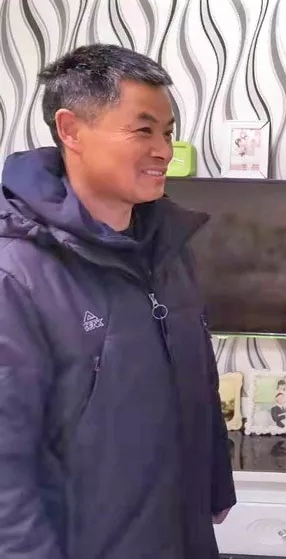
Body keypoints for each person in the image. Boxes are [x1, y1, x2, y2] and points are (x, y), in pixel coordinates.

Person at [0, 44, 236, 558]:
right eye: (143, 131)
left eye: (168, 132)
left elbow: (198, 376)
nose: (163, 150)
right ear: (71, 130)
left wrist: (216, 482)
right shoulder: (17, 273)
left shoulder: (168, 246)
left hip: (183, 529)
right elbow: (6, 463)